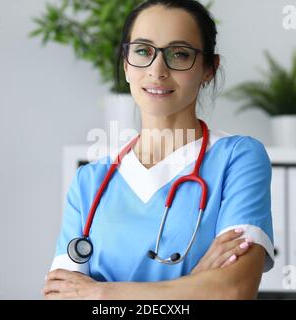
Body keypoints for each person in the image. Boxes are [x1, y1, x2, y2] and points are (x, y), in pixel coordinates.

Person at [43, 0, 274, 300]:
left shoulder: (238, 158)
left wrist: (101, 293)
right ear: (126, 64)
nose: (157, 69)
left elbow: (232, 290)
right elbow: (61, 296)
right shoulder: (90, 181)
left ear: (209, 69)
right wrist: (196, 282)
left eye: (179, 54)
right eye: (143, 51)